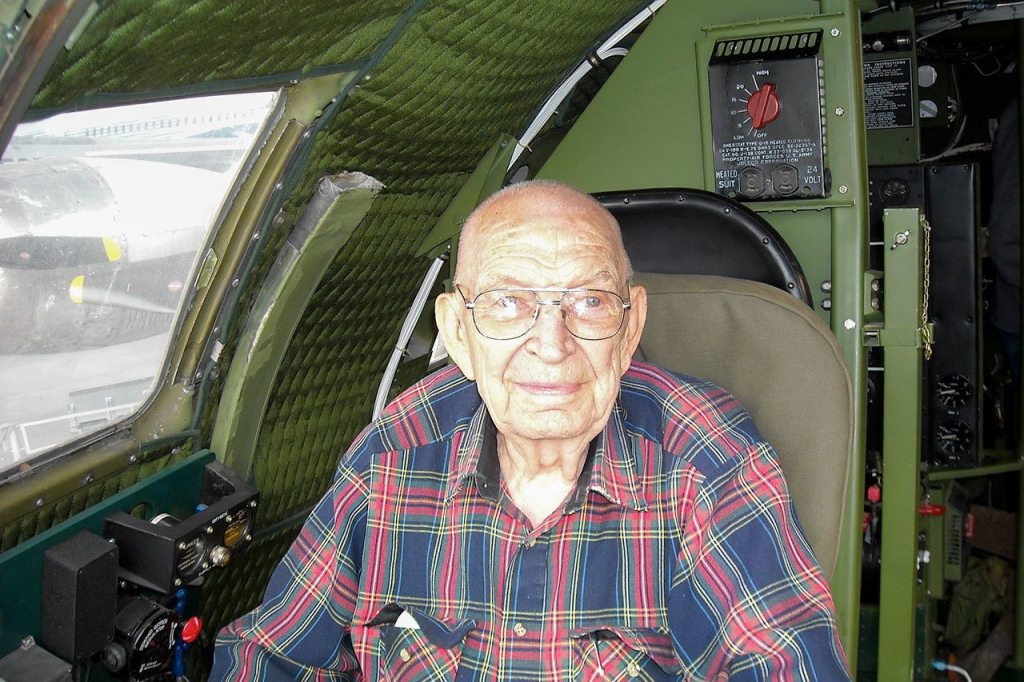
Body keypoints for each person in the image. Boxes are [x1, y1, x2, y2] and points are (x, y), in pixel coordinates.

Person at [210, 180, 850, 680]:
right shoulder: (395, 452)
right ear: (459, 333)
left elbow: (789, 662)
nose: (551, 343)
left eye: (589, 302)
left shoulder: (710, 460)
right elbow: (271, 656)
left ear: (630, 328)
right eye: (508, 302)